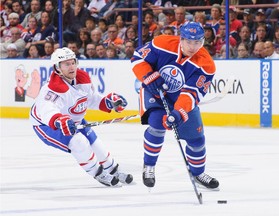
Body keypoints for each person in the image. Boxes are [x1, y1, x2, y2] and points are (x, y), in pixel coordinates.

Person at [131, 21, 219, 190]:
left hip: (181, 101)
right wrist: (149, 76)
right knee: (157, 123)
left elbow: (191, 94)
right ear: (181, 39)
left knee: (197, 140)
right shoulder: (162, 43)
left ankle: (198, 172)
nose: (192, 47)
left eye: (197, 42)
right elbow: (137, 58)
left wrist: (178, 112)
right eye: (188, 41)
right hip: (154, 92)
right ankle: (149, 166)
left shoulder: (206, 64)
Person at [30, 47, 133, 187]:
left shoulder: (82, 79)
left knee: (96, 144)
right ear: (57, 68)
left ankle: (114, 170)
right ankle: (98, 173)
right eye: (66, 64)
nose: (71, 67)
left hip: (72, 120)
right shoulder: (52, 89)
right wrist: (59, 120)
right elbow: (47, 109)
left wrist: (108, 103)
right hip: (47, 125)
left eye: (73, 62)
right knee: (79, 142)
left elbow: (90, 99)